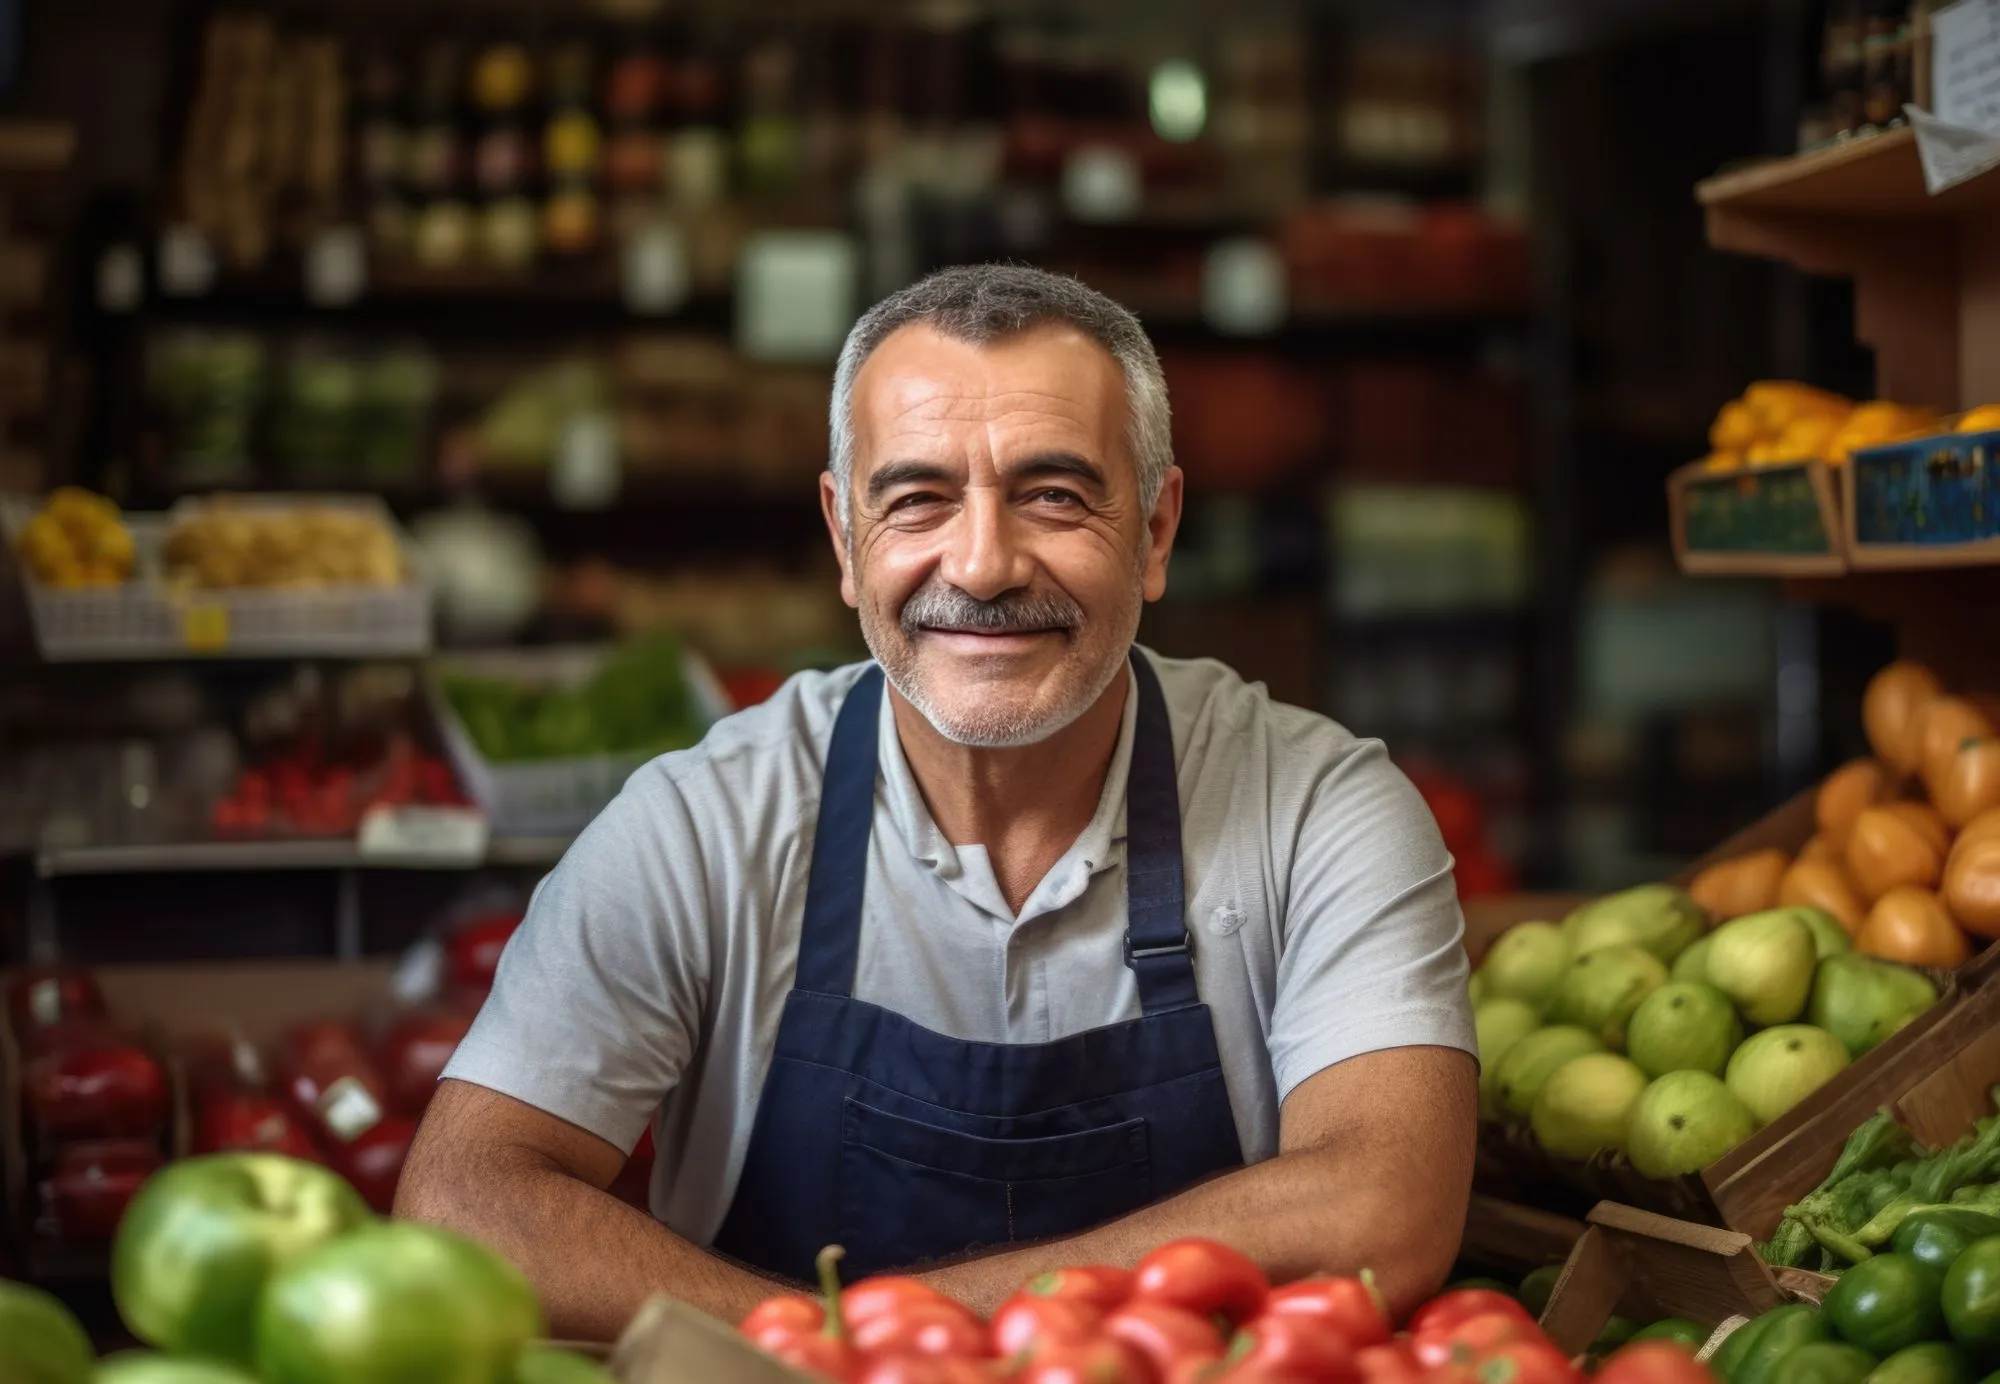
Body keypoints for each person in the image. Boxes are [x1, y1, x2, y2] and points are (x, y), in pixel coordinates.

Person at [397, 264, 1478, 1340]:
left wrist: (866, 1342)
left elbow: (1380, 1206)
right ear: (842, 538)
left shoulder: (1320, 812)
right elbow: (461, 1204)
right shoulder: (702, 826)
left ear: (1153, 531)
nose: (983, 561)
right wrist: (852, 1361)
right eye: (916, 497)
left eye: (1053, 495)